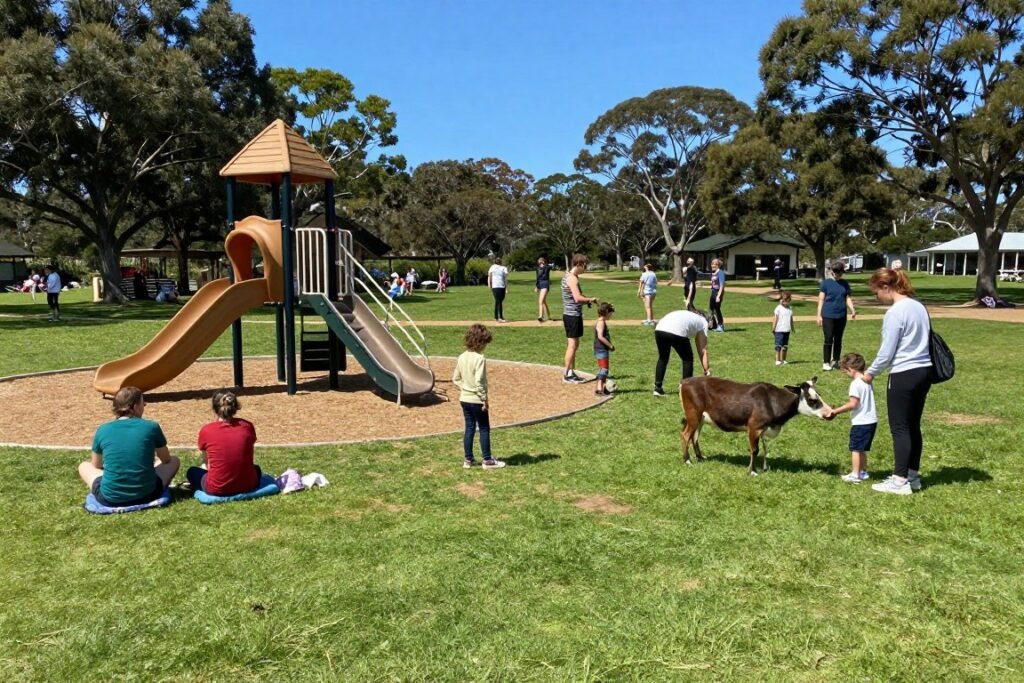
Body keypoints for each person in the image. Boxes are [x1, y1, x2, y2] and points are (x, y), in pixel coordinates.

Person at [862, 267, 933, 495]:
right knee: (913, 425)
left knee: (900, 427)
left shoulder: (895, 312)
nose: (877, 298)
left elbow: (886, 352)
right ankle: (912, 475)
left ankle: (899, 480)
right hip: (924, 371)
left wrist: (870, 373)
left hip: (904, 373)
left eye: (876, 293)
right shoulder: (918, 306)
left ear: (886, 287)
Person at [78, 386, 180, 506]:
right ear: (136, 407)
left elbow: (96, 465)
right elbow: (166, 459)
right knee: (174, 460)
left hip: (110, 498)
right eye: (143, 403)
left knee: (84, 466)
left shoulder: (103, 429)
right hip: (148, 494)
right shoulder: (151, 427)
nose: (145, 405)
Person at [186, 390, 263, 496]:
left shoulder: (207, 430)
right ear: (235, 406)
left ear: (215, 408)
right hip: (249, 484)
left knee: (192, 472)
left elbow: (207, 462)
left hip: (216, 488)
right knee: (256, 469)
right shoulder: (247, 426)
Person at [452, 324, 504, 469]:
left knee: (469, 428)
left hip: (464, 399)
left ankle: (468, 459)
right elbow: (479, 381)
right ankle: (487, 460)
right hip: (476, 400)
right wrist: (484, 399)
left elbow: (455, 378)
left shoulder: (461, 356)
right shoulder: (480, 358)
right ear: (480, 342)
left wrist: (464, 389)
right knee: (484, 428)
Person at [825, 353, 876, 484]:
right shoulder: (867, 380)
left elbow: (853, 404)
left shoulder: (855, 384)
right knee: (862, 449)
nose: (845, 374)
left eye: (845, 371)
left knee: (855, 449)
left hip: (861, 422)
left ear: (850, 369)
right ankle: (863, 472)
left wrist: (835, 411)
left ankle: (855, 474)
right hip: (871, 421)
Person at [652, 308, 712, 397]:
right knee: (687, 359)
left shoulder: (689, 315)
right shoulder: (703, 322)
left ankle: (658, 388)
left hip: (660, 329)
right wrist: (706, 370)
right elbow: (703, 350)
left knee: (663, 357)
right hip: (676, 331)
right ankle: (685, 388)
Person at [561, 253, 598, 383]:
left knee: (574, 344)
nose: (585, 268)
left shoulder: (568, 276)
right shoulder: (572, 279)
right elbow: (577, 298)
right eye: (585, 265)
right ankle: (566, 374)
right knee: (572, 345)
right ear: (579, 264)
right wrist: (590, 299)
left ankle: (571, 372)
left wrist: (586, 301)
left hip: (570, 314)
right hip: (572, 315)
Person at [816, 260, 857, 371]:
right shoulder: (826, 283)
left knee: (838, 339)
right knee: (828, 338)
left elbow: (847, 298)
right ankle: (826, 362)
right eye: (837, 272)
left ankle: (836, 360)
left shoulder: (845, 284)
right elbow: (821, 300)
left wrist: (852, 310)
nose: (839, 274)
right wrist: (818, 315)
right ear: (832, 271)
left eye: (841, 272)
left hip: (841, 315)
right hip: (828, 315)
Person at [593, 302, 616, 396]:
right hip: (601, 349)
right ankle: (599, 389)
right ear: (606, 312)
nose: (611, 316)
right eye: (610, 314)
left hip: (601, 348)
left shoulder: (601, 321)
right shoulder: (601, 322)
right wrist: (610, 345)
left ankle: (603, 388)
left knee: (603, 368)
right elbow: (600, 337)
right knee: (604, 369)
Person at [771, 292, 794, 366]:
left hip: (786, 330)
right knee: (778, 345)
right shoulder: (778, 308)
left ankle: (784, 360)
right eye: (782, 300)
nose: (783, 301)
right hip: (779, 330)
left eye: (786, 300)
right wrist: (773, 328)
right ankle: (778, 360)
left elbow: (791, 319)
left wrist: (792, 327)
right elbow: (775, 319)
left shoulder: (790, 308)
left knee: (785, 346)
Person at [488, 258, 509, 322]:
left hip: (501, 286)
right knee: (499, 301)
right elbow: (490, 276)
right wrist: (490, 284)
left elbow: (505, 278)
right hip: (496, 286)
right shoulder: (493, 267)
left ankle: (496, 317)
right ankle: (501, 317)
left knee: (498, 301)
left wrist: (506, 287)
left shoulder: (503, 268)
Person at [709, 259, 726, 332]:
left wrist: (718, 296)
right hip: (713, 292)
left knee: (717, 309)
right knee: (712, 309)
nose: (713, 265)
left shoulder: (720, 273)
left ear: (718, 265)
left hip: (718, 292)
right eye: (712, 264)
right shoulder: (713, 273)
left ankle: (721, 326)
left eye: (715, 264)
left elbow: (722, 286)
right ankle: (714, 325)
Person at [535, 257, 552, 322]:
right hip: (540, 284)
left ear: (543, 262)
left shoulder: (547, 267)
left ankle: (540, 316)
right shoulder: (537, 269)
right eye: (539, 262)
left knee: (540, 301)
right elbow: (537, 278)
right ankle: (548, 316)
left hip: (545, 284)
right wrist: (536, 286)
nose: (540, 263)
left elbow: (549, 267)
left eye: (541, 262)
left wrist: (544, 265)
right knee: (543, 301)